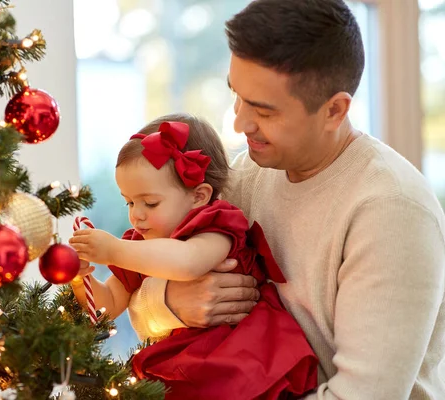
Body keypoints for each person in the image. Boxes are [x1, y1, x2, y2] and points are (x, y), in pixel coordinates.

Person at [125, 1, 445, 399]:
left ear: (334, 110)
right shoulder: (247, 176)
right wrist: (170, 301)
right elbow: (141, 304)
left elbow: (362, 395)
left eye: (263, 111)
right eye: (237, 96)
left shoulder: (391, 211)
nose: (240, 122)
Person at [69, 113, 318, 399]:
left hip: (240, 355)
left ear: (199, 196)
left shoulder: (217, 226)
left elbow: (187, 262)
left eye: (150, 202)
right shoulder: (141, 244)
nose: (136, 215)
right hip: (185, 360)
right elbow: (109, 306)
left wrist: (114, 250)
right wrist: (80, 280)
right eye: (130, 201)